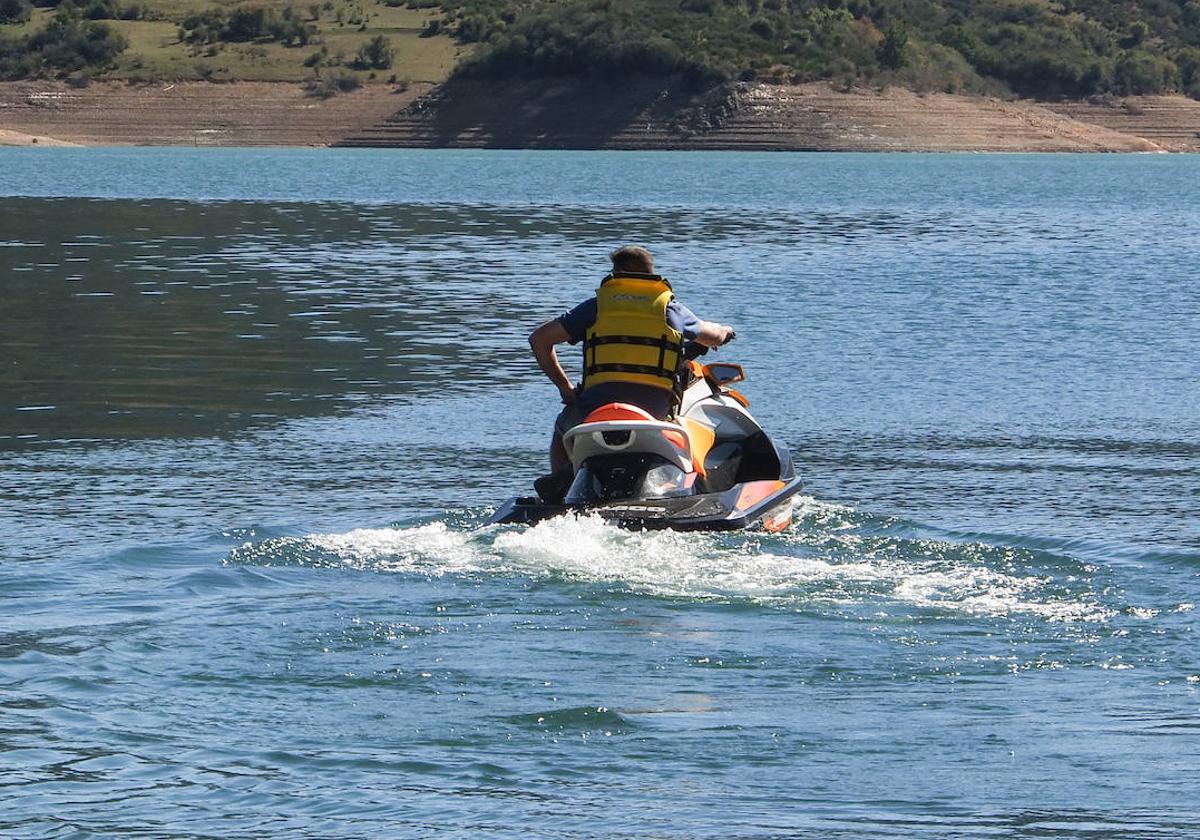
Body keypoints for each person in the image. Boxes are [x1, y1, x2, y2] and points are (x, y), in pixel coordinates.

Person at [528, 246, 735, 501]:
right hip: (654, 411)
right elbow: (710, 333)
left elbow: (539, 340)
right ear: (651, 273)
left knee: (563, 429)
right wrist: (724, 332)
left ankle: (561, 491)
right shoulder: (669, 309)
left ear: (616, 273)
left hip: (594, 411)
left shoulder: (596, 307)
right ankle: (684, 487)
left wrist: (565, 387)